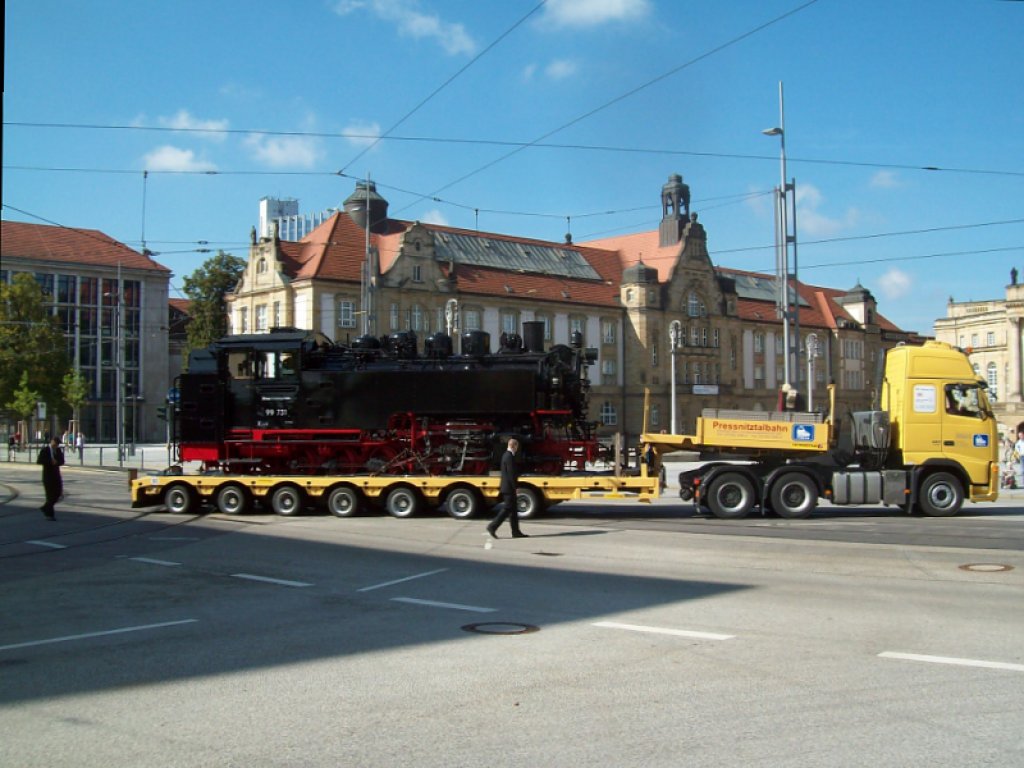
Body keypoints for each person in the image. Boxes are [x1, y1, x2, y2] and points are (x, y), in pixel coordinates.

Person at [487, 437, 527, 539]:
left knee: (513, 511)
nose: (517, 448)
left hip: (507, 487)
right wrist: (515, 487)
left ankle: (516, 532)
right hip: (509, 488)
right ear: (514, 446)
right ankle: (492, 526)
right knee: (507, 509)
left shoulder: (506, 455)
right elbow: (511, 474)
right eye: (516, 446)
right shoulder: (509, 456)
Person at [37, 435, 65, 520]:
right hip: (47, 476)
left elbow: (62, 461)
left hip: (56, 475)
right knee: (49, 495)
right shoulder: (45, 450)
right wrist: (50, 462)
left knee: (58, 493)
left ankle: (45, 507)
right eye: (55, 444)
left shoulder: (58, 450)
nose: (56, 446)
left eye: (57, 444)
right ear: (51, 442)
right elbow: (39, 461)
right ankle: (50, 515)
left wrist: (57, 462)